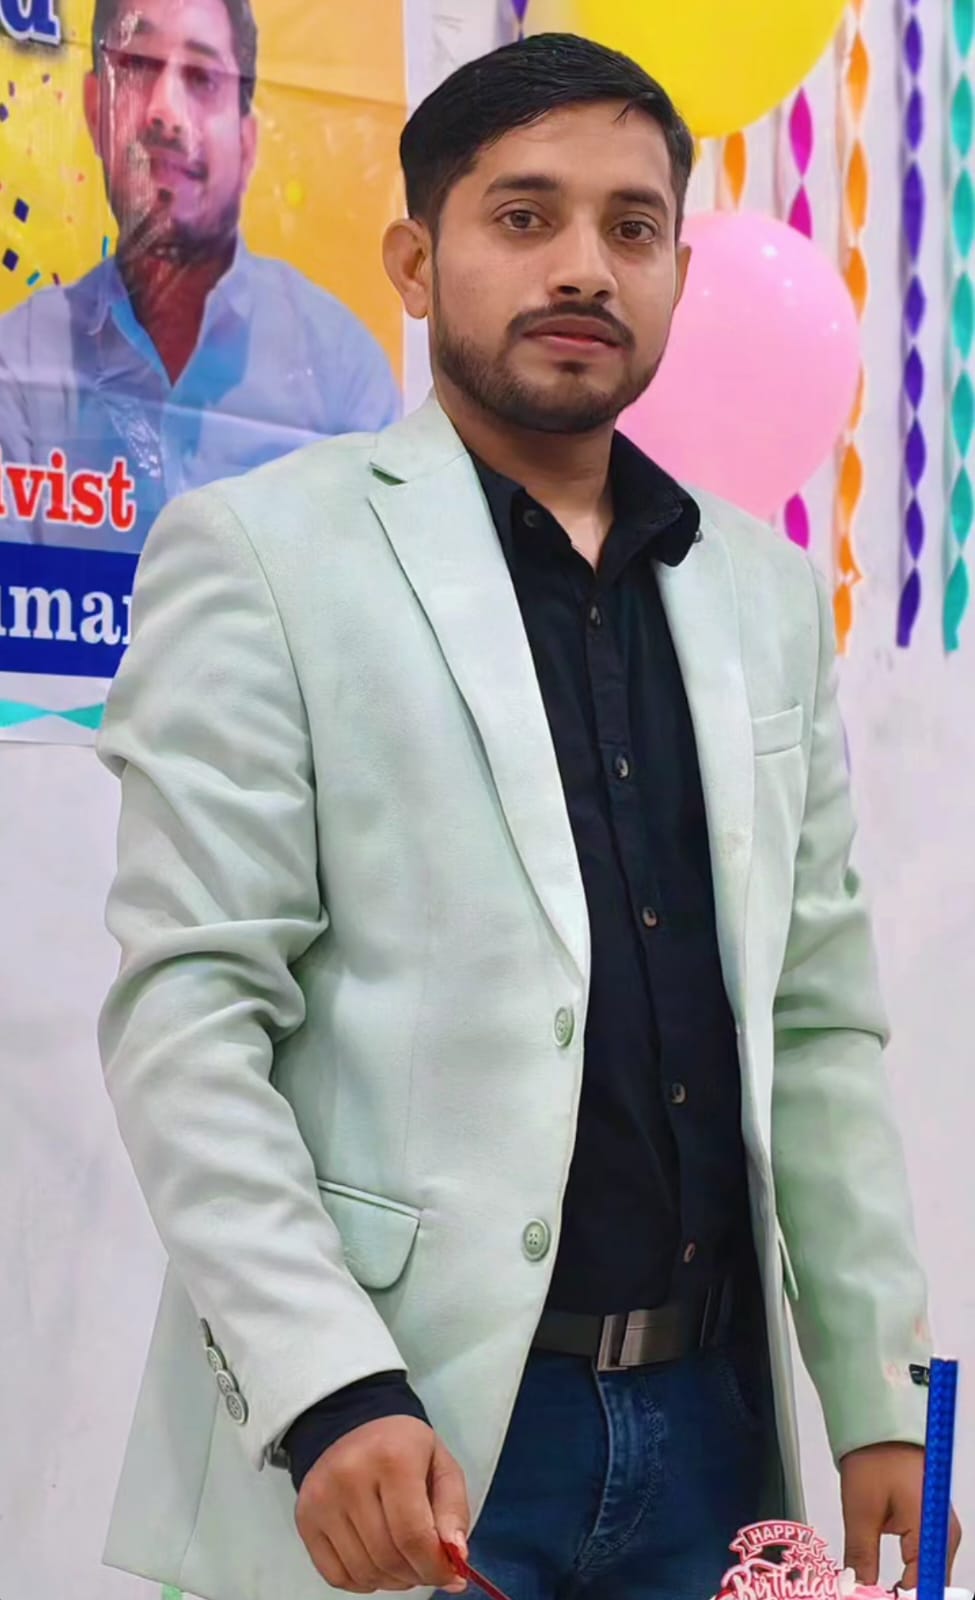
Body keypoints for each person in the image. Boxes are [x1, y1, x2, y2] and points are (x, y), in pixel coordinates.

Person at [96, 32, 960, 1600]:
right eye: (522, 216)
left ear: (677, 273)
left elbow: (816, 1018)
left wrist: (875, 1391)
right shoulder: (265, 557)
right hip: (409, 1431)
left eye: (631, 228)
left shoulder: (760, 594)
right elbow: (192, 1019)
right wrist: (327, 1384)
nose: (581, 266)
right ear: (413, 260)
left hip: (713, 1435)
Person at [0, 0, 399, 552]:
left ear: (247, 143)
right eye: (137, 66)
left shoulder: (341, 368)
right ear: (94, 109)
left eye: (202, 77)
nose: (165, 113)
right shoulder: (19, 356)